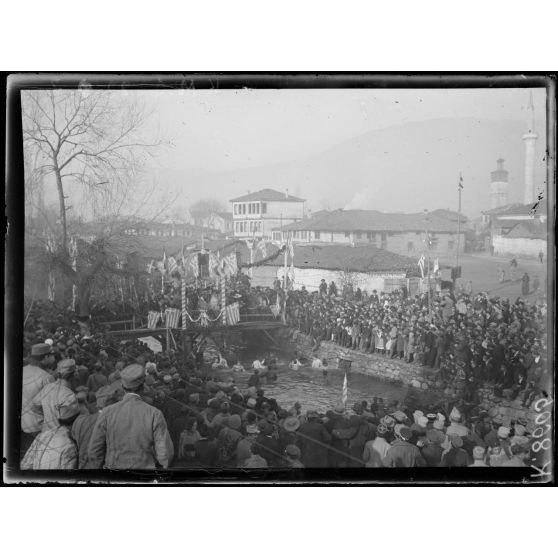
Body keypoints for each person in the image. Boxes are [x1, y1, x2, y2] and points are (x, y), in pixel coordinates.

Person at [88, 364, 173, 469]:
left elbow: (94, 451)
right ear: (142, 387)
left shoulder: (107, 412)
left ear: (123, 387)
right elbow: (165, 453)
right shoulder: (154, 413)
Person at [21, 400, 80, 470]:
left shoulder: (41, 436)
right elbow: (68, 479)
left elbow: (24, 466)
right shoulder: (70, 446)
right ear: (76, 421)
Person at [21, 343, 55, 455]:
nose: (53, 358)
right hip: (39, 428)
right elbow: (52, 406)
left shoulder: (23, 370)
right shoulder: (46, 377)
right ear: (45, 357)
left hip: (23, 425)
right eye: (51, 355)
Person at [31, 359, 78, 432]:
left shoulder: (48, 387)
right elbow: (69, 422)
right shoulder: (69, 395)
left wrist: (46, 419)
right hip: (62, 437)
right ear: (74, 375)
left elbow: (34, 405)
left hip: (45, 433)